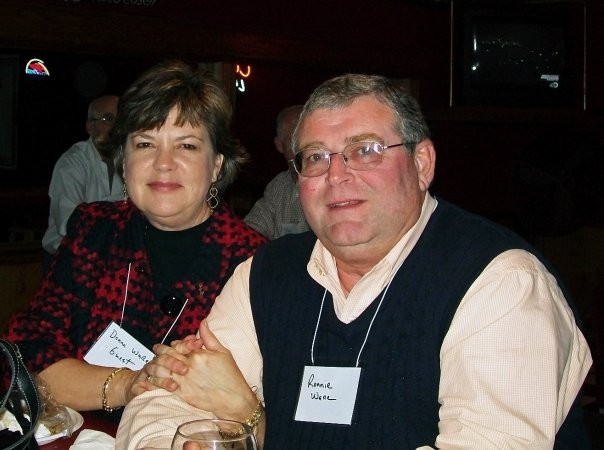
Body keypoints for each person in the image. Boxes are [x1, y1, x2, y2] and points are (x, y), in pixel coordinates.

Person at [116, 74, 592, 449]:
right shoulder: (263, 274)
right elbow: (162, 401)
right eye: (315, 157)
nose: (336, 175)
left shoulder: (500, 283)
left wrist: (252, 421)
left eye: (365, 150)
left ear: (422, 163)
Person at [3, 60, 266, 415]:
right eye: (144, 144)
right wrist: (127, 384)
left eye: (186, 146)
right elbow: (26, 353)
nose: (163, 162)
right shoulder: (94, 230)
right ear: (124, 162)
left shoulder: (254, 263)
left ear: (217, 165)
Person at [42, 94, 123, 258]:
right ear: (90, 127)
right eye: (108, 119)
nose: (116, 127)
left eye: (121, 120)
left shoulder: (129, 161)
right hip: (68, 258)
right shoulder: (72, 162)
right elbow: (68, 222)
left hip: (111, 257)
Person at [243, 104, 309, 239]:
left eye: (308, 138)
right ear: (279, 145)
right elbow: (249, 232)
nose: (303, 146)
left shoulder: (333, 180)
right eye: (294, 139)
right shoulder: (278, 187)